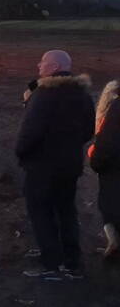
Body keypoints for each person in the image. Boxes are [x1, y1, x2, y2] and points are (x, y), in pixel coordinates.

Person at [16, 50, 95, 281]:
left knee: (41, 212)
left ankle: (51, 264)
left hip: (42, 167)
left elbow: (29, 132)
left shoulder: (44, 94)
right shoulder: (82, 93)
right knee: (66, 211)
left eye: (43, 62)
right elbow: (88, 130)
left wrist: (22, 153)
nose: (38, 65)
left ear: (54, 67)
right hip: (70, 166)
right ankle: (72, 262)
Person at [89, 80, 120, 259]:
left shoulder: (114, 110)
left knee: (109, 204)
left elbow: (106, 143)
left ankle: (113, 241)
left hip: (112, 168)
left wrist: (96, 161)